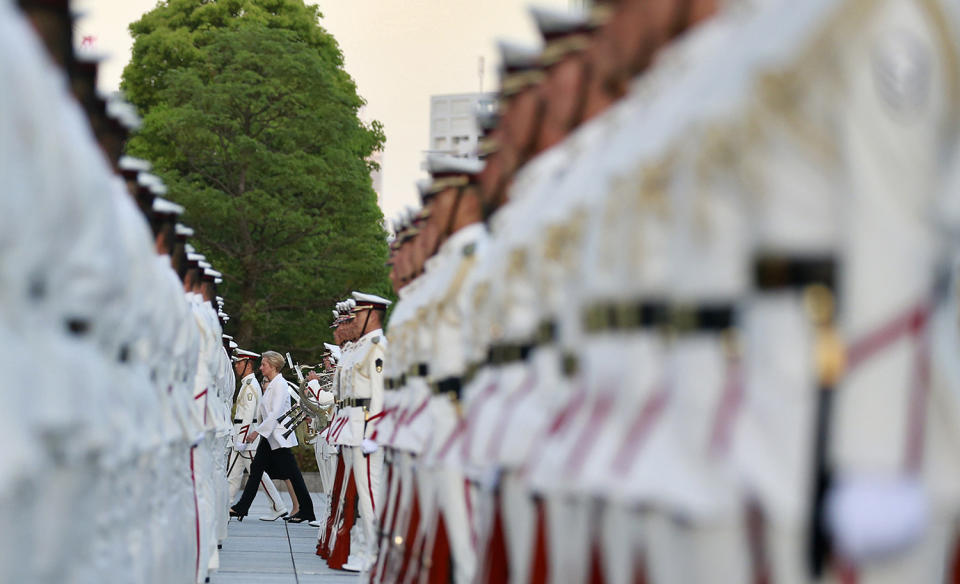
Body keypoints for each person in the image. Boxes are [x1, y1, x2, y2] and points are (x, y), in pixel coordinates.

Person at [230, 350, 315, 523]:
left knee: (292, 474)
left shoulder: (280, 384)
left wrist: (257, 432)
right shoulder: (274, 384)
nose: (261, 368)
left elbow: (275, 413)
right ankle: (242, 507)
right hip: (272, 437)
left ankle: (307, 510)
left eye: (264, 364)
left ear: (274, 366)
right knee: (257, 471)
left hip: (278, 437)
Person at [226, 348, 289, 521]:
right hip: (242, 436)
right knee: (235, 473)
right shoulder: (248, 384)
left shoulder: (250, 385)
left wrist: (242, 439)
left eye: (239, 363)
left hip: (246, 438)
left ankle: (279, 506)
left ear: (248, 364)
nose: (236, 366)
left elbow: (249, 415)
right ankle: (225, 505)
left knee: (257, 474)